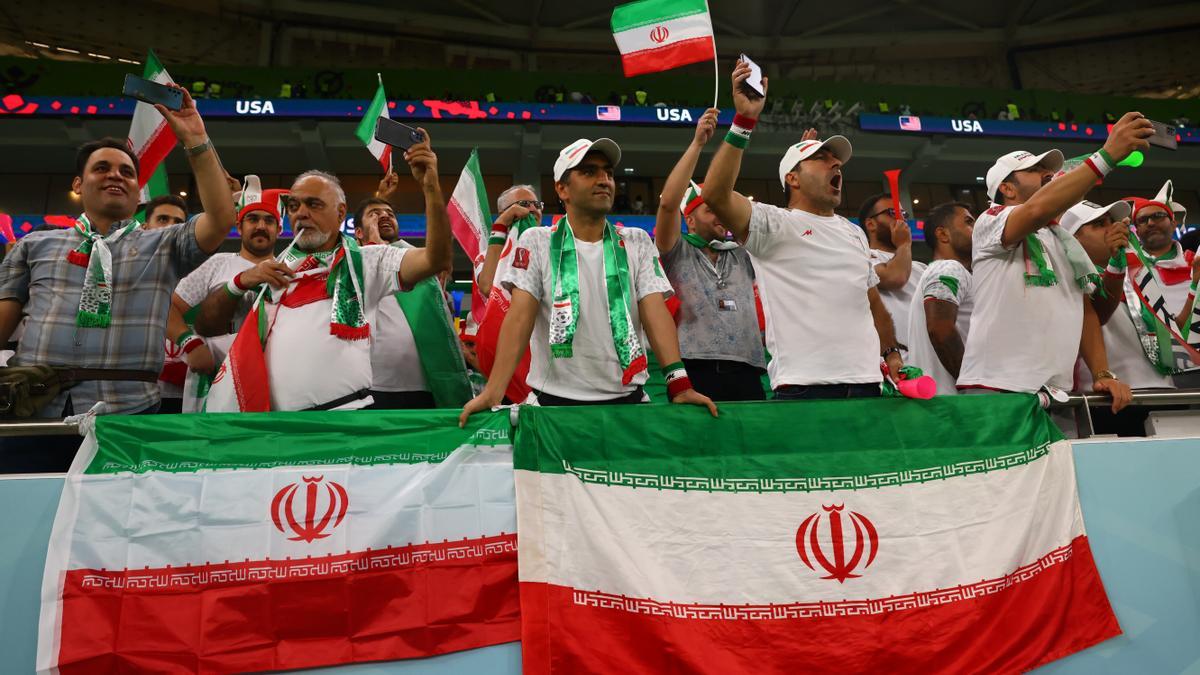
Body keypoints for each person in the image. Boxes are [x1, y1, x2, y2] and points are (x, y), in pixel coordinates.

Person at [0, 85, 235, 418]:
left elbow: (222, 219)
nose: (116, 175)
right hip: (32, 407)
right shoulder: (34, 245)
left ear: (138, 191)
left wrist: (196, 139)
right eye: (101, 168)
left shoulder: (164, 244)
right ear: (78, 185)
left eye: (127, 172)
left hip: (129, 412)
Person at [458, 137, 717, 424]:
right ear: (562, 188)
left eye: (608, 172)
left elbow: (655, 312)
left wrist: (679, 382)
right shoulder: (538, 242)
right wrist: (493, 392)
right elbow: (519, 318)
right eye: (589, 172)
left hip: (629, 405)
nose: (604, 180)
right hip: (553, 409)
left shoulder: (636, 241)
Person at [195, 129, 452, 412]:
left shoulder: (368, 263)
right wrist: (239, 283)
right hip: (278, 430)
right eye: (293, 206)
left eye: (313, 204)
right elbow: (206, 326)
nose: (301, 213)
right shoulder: (271, 273)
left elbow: (435, 259)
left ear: (341, 213)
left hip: (346, 423)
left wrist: (430, 187)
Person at [702, 60, 905, 400]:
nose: (835, 164)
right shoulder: (775, 225)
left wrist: (891, 353)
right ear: (792, 178)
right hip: (804, 387)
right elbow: (715, 195)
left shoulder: (853, 233)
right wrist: (744, 121)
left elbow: (872, 302)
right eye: (821, 158)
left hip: (870, 384)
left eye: (836, 160)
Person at [956, 119, 1154, 413]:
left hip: (1058, 392)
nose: (1047, 173)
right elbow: (1037, 209)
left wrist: (1102, 373)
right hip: (998, 385)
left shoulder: (1062, 239)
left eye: (1046, 169)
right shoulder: (990, 220)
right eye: (1034, 170)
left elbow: (1086, 311)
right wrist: (1106, 157)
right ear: (1007, 189)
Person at [655, 108, 765, 401]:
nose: (720, 215)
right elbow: (668, 205)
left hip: (749, 367)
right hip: (694, 369)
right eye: (710, 209)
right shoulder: (675, 251)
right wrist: (697, 144)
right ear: (689, 219)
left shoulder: (744, 253)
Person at [165, 176, 286, 413]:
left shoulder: (290, 267)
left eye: (269, 220)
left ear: (279, 229)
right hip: (217, 375)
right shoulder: (216, 264)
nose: (261, 226)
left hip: (274, 374)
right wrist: (189, 342)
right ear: (239, 226)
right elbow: (168, 307)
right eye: (252, 219)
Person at [353, 175, 472, 409]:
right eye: (375, 213)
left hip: (426, 385)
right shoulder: (352, 263)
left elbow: (437, 256)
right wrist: (378, 204)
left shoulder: (416, 261)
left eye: (390, 213)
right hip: (374, 386)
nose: (385, 216)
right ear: (357, 232)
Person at [1064, 200, 1171, 435]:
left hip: (1166, 390)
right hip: (1108, 398)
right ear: (1072, 240)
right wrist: (1115, 265)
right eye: (1099, 224)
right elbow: (1097, 312)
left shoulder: (1139, 273)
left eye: (1113, 222)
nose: (1112, 229)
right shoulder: (1070, 278)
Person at [905, 202, 975, 396]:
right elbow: (940, 330)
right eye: (969, 222)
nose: (977, 229)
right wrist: (971, 385)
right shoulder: (949, 268)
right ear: (943, 234)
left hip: (946, 400)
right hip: (956, 400)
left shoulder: (959, 273)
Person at [857, 193, 925, 348]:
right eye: (893, 213)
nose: (902, 219)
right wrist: (904, 244)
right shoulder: (862, 257)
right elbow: (895, 278)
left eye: (904, 214)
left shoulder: (921, 268)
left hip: (927, 358)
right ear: (871, 224)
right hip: (893, 359)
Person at [478, 185, 544, 298]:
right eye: (524, 204)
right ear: (503, 213)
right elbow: (488, 288)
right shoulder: (484, 257)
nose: (533, 209)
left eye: (537, 205)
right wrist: (501, 224)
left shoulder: (554, 246)